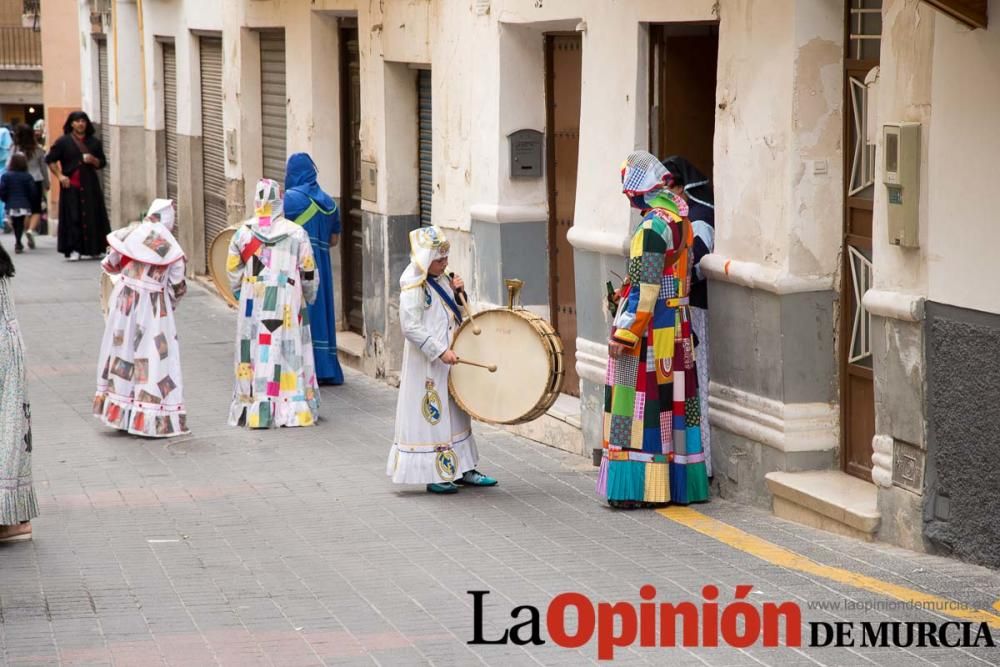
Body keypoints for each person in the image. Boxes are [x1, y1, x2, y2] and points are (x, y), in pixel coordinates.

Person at [598, 151, 709, 508]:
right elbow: (670, 276)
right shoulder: (680, 219)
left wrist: (625, 331)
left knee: (635, 408)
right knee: (675, 406)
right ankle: (677, 486)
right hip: (677, 329)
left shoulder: (650, 228)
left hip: (649, 332)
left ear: (636, 189)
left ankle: (636, 489)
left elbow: (646, 292)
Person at [386, 225, 497, 494]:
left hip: (451, 357)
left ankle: (464, 468)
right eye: (439, 259)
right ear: (425, 260)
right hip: (428, 361)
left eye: (446, 258)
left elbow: (455, 311)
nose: (445, 263)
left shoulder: (443, 277)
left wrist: (461, 293)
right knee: (432, 416)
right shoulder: (413, 284)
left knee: (458, 412)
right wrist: (438, 351)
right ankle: (436, 472)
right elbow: (410, 326)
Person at [226, 178, 320, 428]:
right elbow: (308, 271)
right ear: (280, 201)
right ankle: (291, 405)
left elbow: (233, 270)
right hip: (287, 300)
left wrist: (239, 291)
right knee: (288, 349)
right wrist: (309, 295)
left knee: (255, 347)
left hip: (253, 301)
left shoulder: (243, 233)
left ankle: (254, 404)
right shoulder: (296, 233)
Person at [93, 199, 190, 437]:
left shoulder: (129, 234)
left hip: (124, 303)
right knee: (155, 357)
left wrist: (130, 275)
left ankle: (120, 412)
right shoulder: (171, 247)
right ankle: (149, 417)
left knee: (122, 353)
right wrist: (168, 301)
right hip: (155, 308)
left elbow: (109, 264)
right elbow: (178, 285)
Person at [662, 155, 714, 478]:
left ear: (682, 187)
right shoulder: (678, 219)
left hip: (697, 313)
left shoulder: (700, 218)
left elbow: (698, 262)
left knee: (700, 384)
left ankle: (704, 462)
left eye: (670, 187)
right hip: (683, 311)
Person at [284, 153, 345, 385]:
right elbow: (334, 240)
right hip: (323, 266)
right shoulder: (330, 203)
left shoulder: (290, 199)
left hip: (296, 265)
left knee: (301, 312)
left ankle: (304, 368)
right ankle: (326, 368)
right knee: (322, 313)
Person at [0, 242, 37, 542]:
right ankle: (10, 518)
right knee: (8, 432)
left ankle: (9, 519)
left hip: (5, 353)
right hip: (9, 350)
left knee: (8, 432)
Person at [45, 111, 110, 260]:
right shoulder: (63, 142)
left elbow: (102, 163)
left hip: (90, 186)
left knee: (93, 216)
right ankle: (74, 249)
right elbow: (50, 160)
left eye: (83, 121)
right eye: (77, 121)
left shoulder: (94, 142)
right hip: (71, 186)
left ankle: (95, 248)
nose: (80, 124)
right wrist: (60, 176)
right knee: (73, 217)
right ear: (71, 123)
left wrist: (93, 159)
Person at [10, 124, 49, 250]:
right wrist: (47, 183)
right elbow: (43, 167)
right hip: (36, 180)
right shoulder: (37, 149)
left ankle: (25, 230)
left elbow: (9, 165)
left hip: (19, 181)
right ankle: (31, 230)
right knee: (36, 208)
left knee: (25, 209)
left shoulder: (15, 148)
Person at [0, 154, 38, 254]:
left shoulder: (6, 175)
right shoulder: (27, 176)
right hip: (24, 203)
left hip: (11, 203)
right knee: (20, 222)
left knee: (15, 222)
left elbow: (2, 189)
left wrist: (5, 199)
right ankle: (18, 242)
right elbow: (32, 191)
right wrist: (30, 201)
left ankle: (18, 242)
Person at [0, 124, 12, 231]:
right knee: (3, 194)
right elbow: (8, 148)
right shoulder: (4, 132)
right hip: (3, 166)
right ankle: (4, 219)